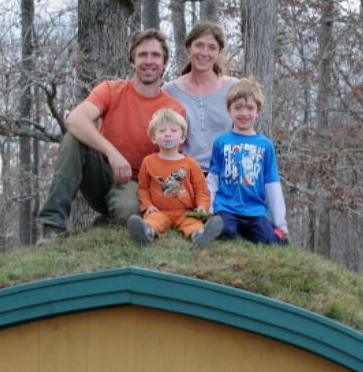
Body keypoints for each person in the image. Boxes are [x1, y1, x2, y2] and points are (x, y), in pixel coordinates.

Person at [37, 29, 187, 241]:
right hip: (102, 175)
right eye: (142, 55)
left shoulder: (173, 109)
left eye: (155, 55)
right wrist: (111, 152)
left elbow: (171, 163)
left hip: (137, 185)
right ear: (132, 62)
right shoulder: (111, 90)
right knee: (73, 139)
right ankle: (52, 226)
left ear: (164, 63)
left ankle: (112, 218)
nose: (149, 61)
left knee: (129, 213)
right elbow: (74, 119)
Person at [207, 78, 288, 245]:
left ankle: (275, 235)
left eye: (250, 108)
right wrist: (209, 209)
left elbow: (272, 184)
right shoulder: (221, 142)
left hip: (254, 210)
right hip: (226, 207)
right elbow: (212, 180)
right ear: (229, 110)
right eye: (238, 108)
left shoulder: (265, 145)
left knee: (267, 239)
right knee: (225, 231)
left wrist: (280, 221)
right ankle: (231, 230)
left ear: (258, 111)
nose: (244, 113)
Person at [128, 108, 223, 248]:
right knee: (153, 221)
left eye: (173, 131)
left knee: (192, 223)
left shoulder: (190, 164)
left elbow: (201, 190)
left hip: (186, 211)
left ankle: (200, 235)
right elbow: (143, 188)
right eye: (162, 131)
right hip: (160, 211)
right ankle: (146, 232)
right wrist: (147, 206)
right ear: (153, 138)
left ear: (183, 138)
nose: (168, 135)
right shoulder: (148, 162)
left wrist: (202, 207)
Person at [162, 22, 238, 171]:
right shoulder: (169, 91)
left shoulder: (234, 88)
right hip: (184, 176)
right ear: (188, 47)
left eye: (211, 47)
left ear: (219, 52)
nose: (204, 53)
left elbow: (245, 133)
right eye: (199, 45)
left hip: (226, 176)